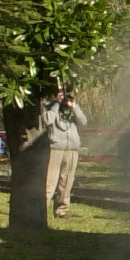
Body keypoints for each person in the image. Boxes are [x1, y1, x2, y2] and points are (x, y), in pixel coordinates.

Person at [43, 87, 88, 218]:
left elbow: (84, 122)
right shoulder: (50, 106)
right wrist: (57, 103)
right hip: (55, 148)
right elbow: (47, 120)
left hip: (72, 150)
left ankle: (61, 210)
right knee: (50, 182)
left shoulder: (74, 109)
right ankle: (43, 209)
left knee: (67, 182)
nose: (67, 98)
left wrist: (74, 107)